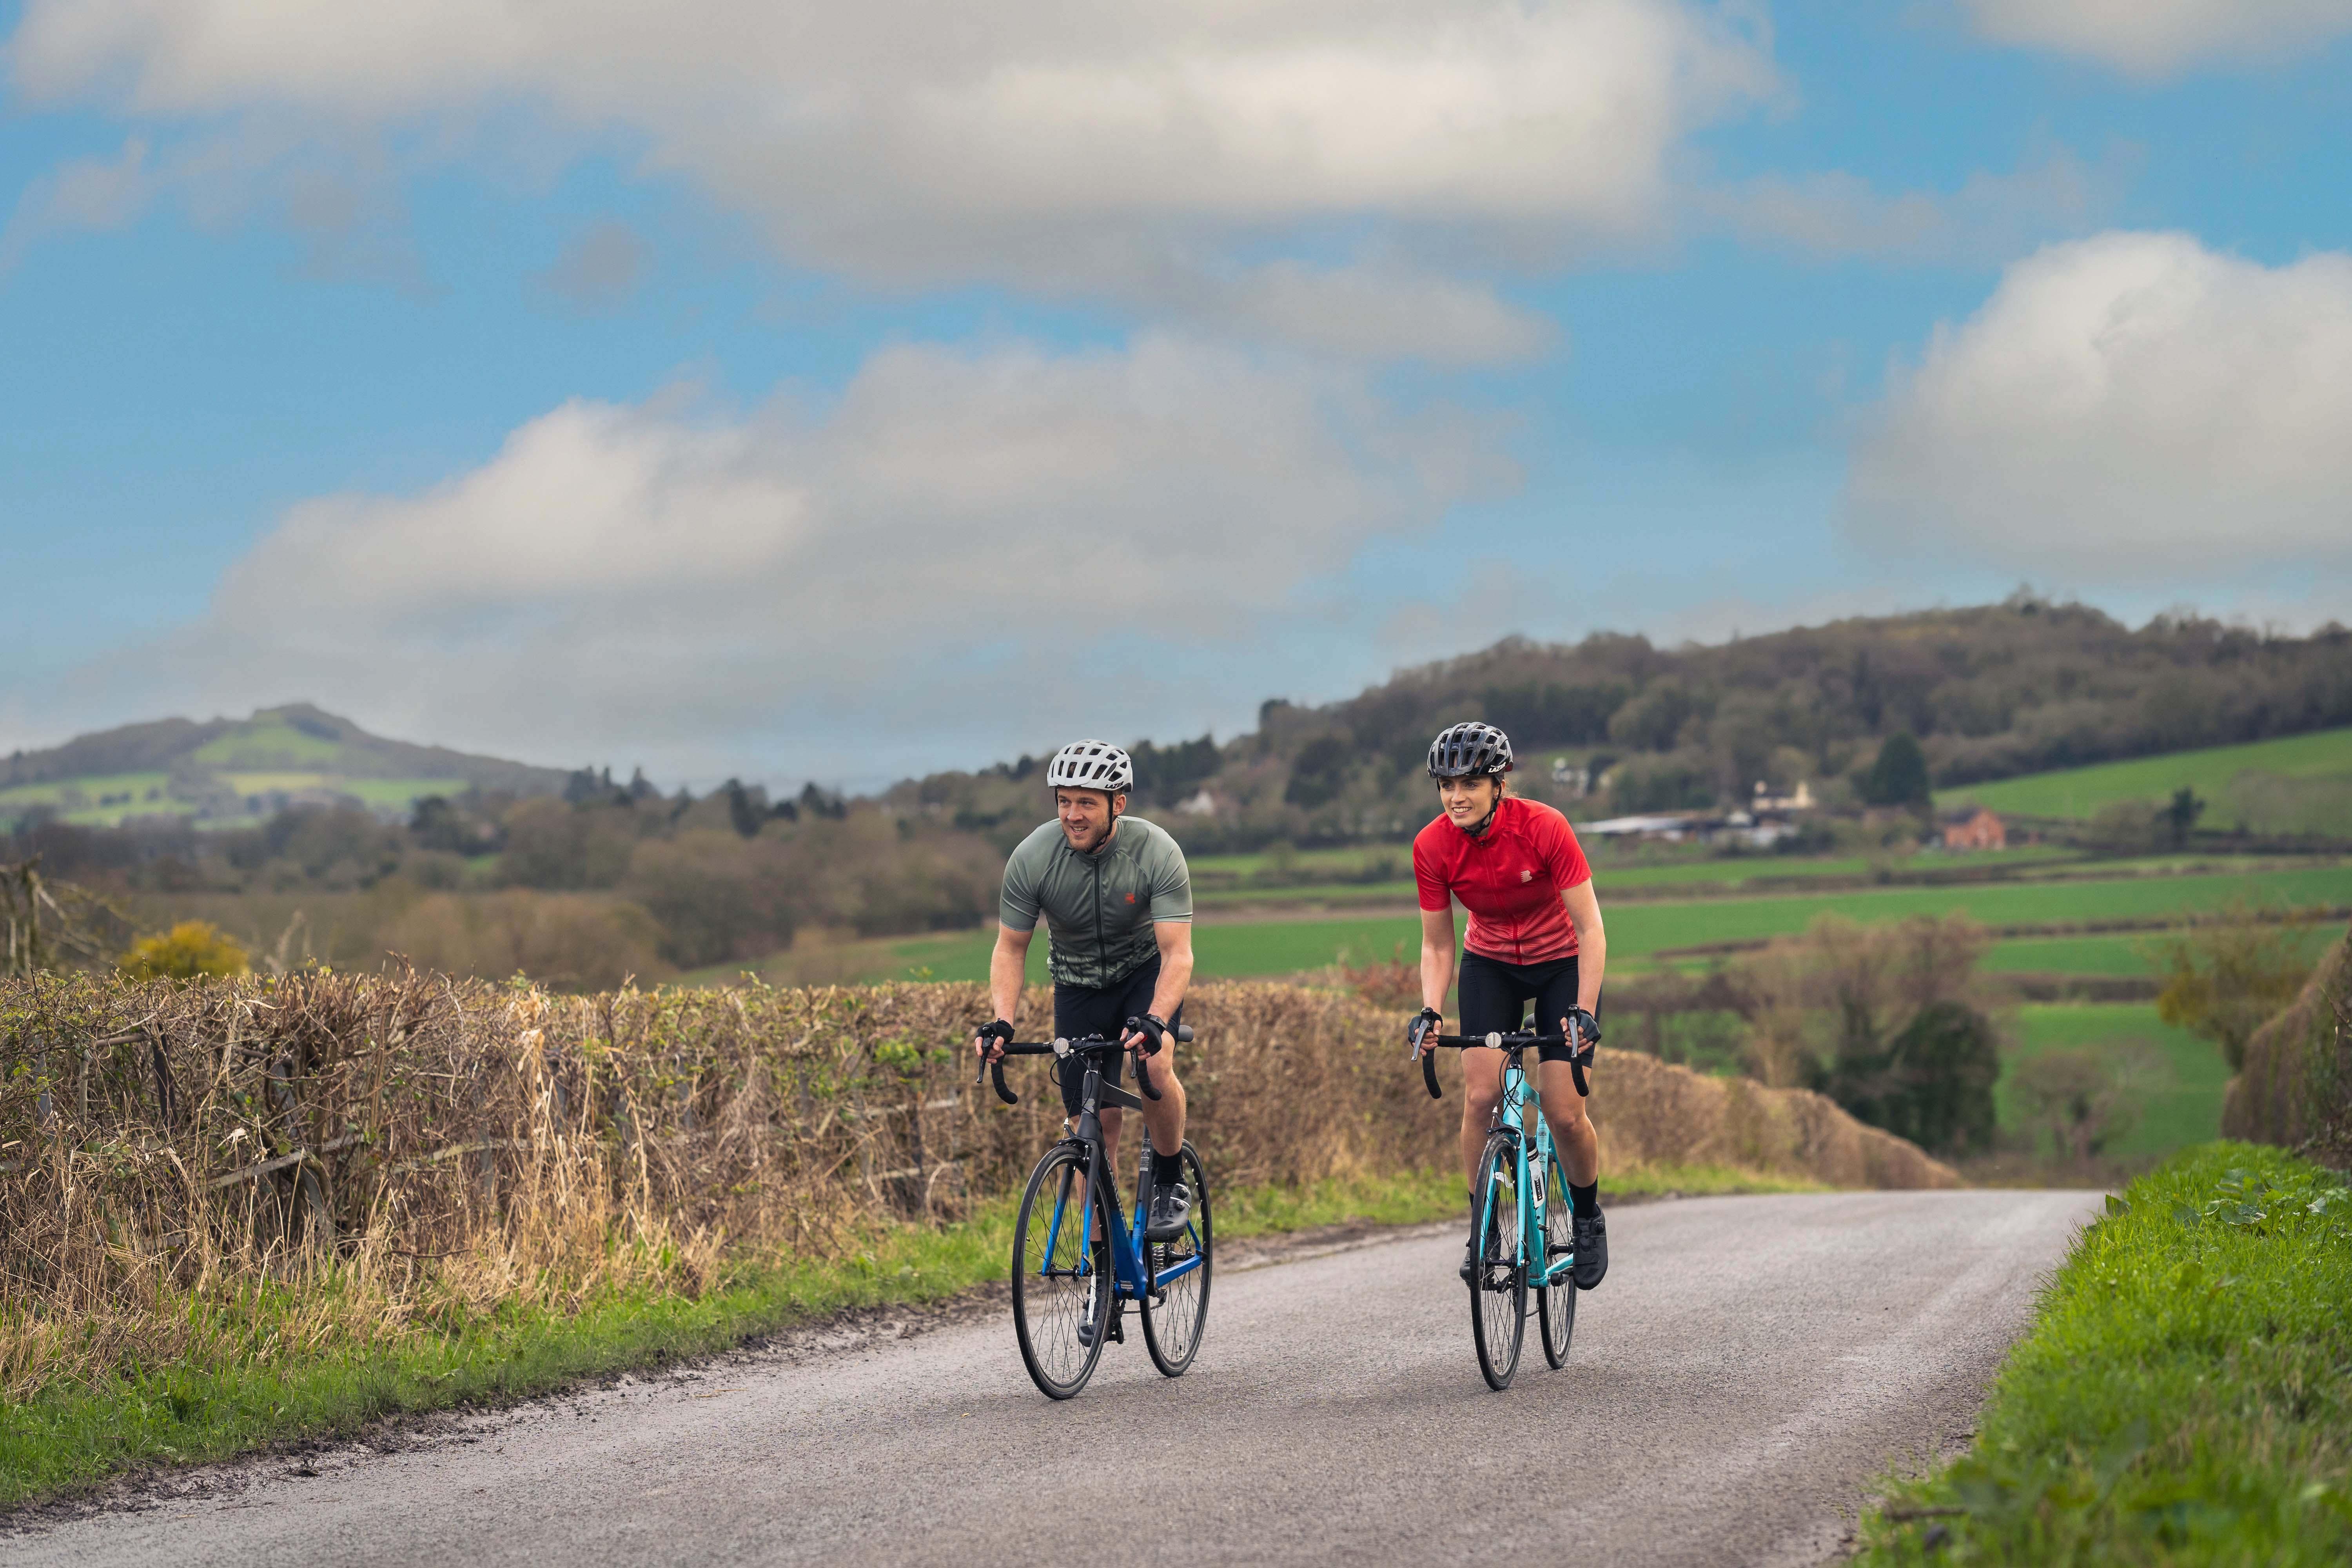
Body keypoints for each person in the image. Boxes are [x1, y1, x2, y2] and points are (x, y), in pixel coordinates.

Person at [1406, 720, 1610, 1290]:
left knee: (1565, 1114)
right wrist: (1431, 1010)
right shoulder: (1431, 846)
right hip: (1490, 963)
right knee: (1480, 1096)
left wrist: (1584, 1010)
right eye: (1446, 785)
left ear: (1501, 783)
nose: (1456, 796)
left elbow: (1591, 928)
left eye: (1469, 782)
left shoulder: (1545, 828)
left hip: (1560, 964)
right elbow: (1437, 943)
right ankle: (1485, 1230)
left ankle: (1589, 1217)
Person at [973, 739, 1197, 1245]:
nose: (1072, 814)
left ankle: (1167, 1179)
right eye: (1064, 801)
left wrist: (1156, 1019)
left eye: (1086, 802)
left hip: (1144, 977)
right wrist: (1003, 1021)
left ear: (1119, 803)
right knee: (1092, 1131)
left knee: (1156, 1067)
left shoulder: (1156, 852)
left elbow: (1178, 954)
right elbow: (1010, 949)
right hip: (1076, 987)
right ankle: (1102, 1270)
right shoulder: (1032, 858)